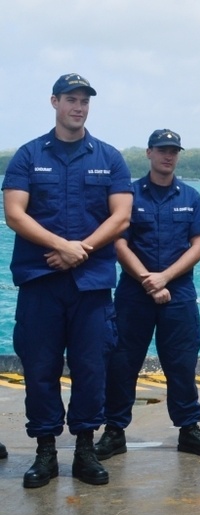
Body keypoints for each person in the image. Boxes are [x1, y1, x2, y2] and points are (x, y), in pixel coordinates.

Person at [2, 73, 132, 488]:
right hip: (41, 282)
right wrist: (63, 245)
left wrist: (82, 250)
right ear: (54, 102)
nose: (78, 107)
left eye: (84, 101)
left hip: (91, 285)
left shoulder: (109, 157)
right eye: (71, 99)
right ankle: (44, 452)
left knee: (91, 368)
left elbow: (122, 216)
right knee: (40, 369)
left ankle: (84, 450)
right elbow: (14, 214)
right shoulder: (27, 155)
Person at [96, 129, 200, 460]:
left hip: (177, 292)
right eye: (162, 150)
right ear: (149, 153)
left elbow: (199, 246)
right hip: (134, 295)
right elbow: (119, 242)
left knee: (181, 363)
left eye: (174, 151)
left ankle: (189, 429)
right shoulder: (129, 195)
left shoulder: (191, 197)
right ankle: (114, 430)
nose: (168, 156)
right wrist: (146, 279)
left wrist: (164, 277)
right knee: (122, 362)